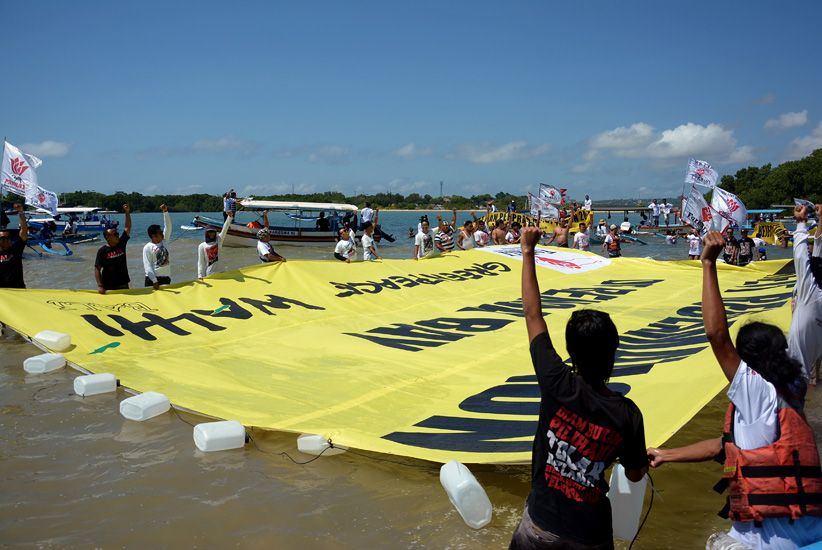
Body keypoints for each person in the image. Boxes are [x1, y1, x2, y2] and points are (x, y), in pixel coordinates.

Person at [646, 231, 822, 549]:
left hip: (766, 542)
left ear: (748, 363)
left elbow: (716, 334)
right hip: (811, 535)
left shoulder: (757, 391)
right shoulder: (790, 390)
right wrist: (666, 455)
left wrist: (708, 263)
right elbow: (723, 446)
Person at [510, 225, 648, 548]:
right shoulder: (627, 415)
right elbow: (635, 475)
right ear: (613, 352)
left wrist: (527, 252)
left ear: (570, 352)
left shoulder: (556, 381)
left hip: (539, 526)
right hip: (589, 536)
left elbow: (532, 315)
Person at [788, 204, 822, 381]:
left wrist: (801, 222)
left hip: (792, 378)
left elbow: (801, 256)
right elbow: (817, 248)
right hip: (803, 377)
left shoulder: (810, 291)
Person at [94, 204, 133, 293]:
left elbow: (127, 227)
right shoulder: (102, 251)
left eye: (117, 233)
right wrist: (100, 285)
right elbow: (97, 269)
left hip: (123, 284)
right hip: (108, 286)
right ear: (107, 237)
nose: (117, 235)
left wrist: (127, 212)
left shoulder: (121, 243)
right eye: (115, 234)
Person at [142, 204, 173, 289]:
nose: (162, 233)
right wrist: (154, 281)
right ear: (153, 236)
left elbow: (168, 227)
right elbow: (147, 266)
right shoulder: (147, 247)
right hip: (152, 280)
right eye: (160, 232)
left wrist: (165, 212)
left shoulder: (164, 241)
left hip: (166, 278)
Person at [0, 203, 28, 289]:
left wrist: (21, 212)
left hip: (18, 290)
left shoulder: (16, 249)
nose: (6, 240)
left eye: (8, 238)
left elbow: (23, 230)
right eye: (2, 238)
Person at [197, 213, 232, 279]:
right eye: (209, 232)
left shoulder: (219, 240)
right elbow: (200, 262)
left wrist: (229, 217)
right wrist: (200, 275)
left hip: (222, 272)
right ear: (206, 233)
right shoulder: (202, 246)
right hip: (210, 275)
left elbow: (224, 229)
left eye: (213, 232)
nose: (211, 234)